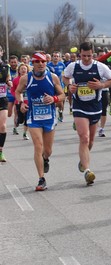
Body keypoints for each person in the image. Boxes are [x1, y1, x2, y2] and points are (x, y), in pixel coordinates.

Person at [62, 41, 111, 186]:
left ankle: (83, 161)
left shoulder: (100, 67)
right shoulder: (74, 66)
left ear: (93, 54)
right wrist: (69, 86)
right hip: (79, 106)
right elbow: (65, 77)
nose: (86, 58)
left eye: (89, 56)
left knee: (90, 141)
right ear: (80, 54)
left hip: (95, 106)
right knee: (84, 138)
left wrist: (102, 85)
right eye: (84, 56)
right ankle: (87, 172)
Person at [15, 52, 65, 191]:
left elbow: (62, 95)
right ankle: (41, 178)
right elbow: (18, 92)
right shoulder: (26, 78)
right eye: (37, 62)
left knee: (47, 150)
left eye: (43, 61)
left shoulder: (52, 77)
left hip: (49, 118)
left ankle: (46, 158)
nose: (41, 64)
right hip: (34, 118)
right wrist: (21, 103)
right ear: (33, 63)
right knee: (38, 145)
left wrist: (54, 99)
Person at [0, 47, 12, 162]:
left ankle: (0, 151)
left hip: (2, 98)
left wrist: (9, 82)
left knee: (3, 126)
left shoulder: (5, 66)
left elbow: (8, 78)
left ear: (1, 52)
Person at [47, 51, 66, 122]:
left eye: (57, 56)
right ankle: (53, 114)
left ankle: (60, 112)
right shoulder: (48, 65)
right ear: (52, 58)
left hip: (61, 85)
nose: (56, 58)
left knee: (61, 102)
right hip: (52, 86)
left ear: (59, 58)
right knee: (53, 100)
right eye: (54, 56)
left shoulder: (62, 65)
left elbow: (64, 74)